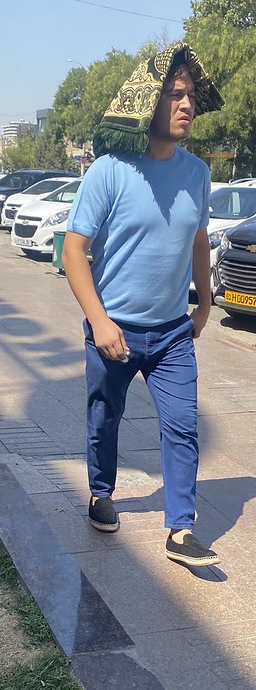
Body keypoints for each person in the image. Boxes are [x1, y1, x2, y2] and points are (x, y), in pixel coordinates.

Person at [62, 43, 224, 567]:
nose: (186, 104)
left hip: (173, 331)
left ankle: (180, 528)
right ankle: (100, 493)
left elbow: (198, 239)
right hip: (114, 329)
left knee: (182, 425)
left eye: (190, 95)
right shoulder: (110, 170)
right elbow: (73, 251)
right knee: (104, 418)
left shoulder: (197, 172)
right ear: (147, 103)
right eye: (174, 94)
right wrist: (99, 321)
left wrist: (204, 303)